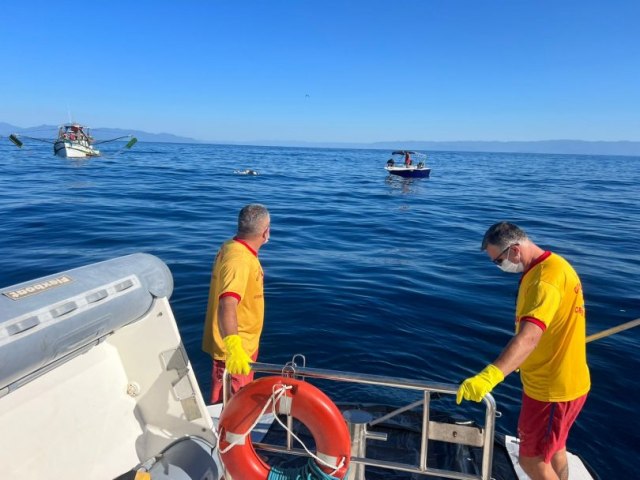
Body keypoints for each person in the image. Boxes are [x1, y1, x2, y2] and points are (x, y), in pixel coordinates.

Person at [457, 222, 590, 480]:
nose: (499, 266)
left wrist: (490, 376)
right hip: (569, 382)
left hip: (550, 389)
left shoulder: (544, 281)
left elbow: (528, 338)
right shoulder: (555, 265)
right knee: (555, 448)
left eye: (498, 261)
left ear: (515, 250)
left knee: (531, 460)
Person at [202, 204, 271, 404]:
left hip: (244, 345)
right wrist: (234, 348)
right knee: (233, 405)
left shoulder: (232, 246)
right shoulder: (240, 260)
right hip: (235, 352)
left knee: (235, 400)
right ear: (265, 231)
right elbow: (227, 304)